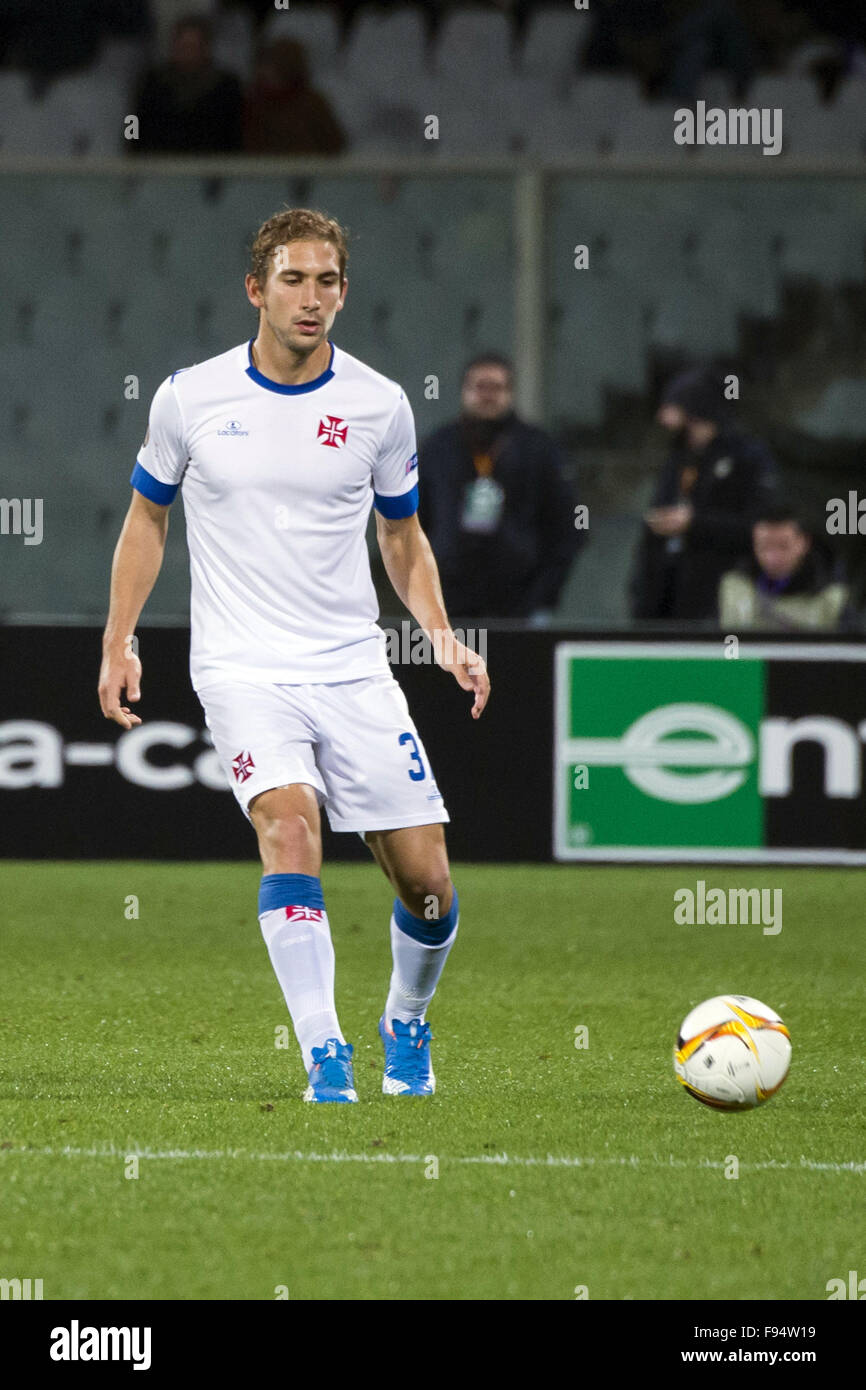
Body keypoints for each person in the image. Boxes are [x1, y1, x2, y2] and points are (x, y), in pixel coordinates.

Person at [98, 207, 490, 1104]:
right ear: (255, 288)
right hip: (240, 667)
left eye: (326, 282)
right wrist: (119, 638)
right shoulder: (189, 398)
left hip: (352, 664)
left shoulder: (379, 404)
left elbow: (403, 538)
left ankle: (406, 1021)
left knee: (426, 881)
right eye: (292, 280)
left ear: (344, 292)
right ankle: (325, 1053)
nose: (310, 299)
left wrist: (438, 635)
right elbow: (148, 519)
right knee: (288, 827)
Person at [417, 353, 580, 623]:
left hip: (522, 603)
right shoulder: (437, 447)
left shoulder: (539, 448)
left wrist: (544, 593)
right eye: (479, 387)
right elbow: (414, 520)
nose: (487, 396)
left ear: (511, 393)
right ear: (463, 391)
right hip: (448, 599)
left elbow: (567, 526)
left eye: (497, 388)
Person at [630, 367, 779, 622]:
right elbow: (654, 525)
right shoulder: (678, 458)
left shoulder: (746, 458)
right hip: (662, 600)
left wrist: (694, 524)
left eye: (691, 421)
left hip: (718, 601)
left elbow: (759, 527)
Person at [718, 502, 859, 631]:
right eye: (764, 547)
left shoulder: (832, 597)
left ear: (804, 543)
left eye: (783, 547)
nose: (772, 558)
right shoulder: (733, 587)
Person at [130, 14, 243, 155]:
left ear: (206, 49)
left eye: (192, 47)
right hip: (159, 166)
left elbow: (233, 135)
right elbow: (136, 125)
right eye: (181, 47)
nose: (186, 54)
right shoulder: (153, 83)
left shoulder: (226, 86)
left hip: (212, 168)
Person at [243, 38, 347, 155]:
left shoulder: (312, 103)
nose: (263, 72)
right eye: (263, 65)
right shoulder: (255, 105)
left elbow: (334, 144)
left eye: (271, 66)